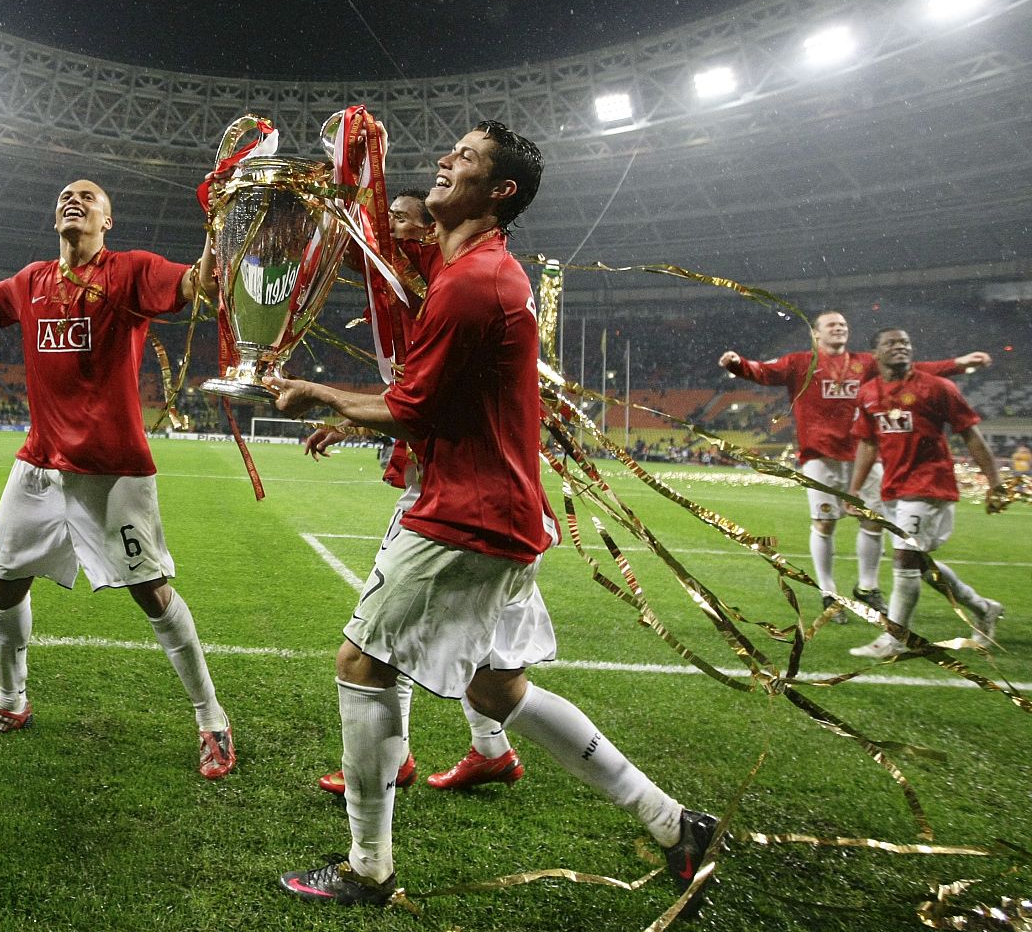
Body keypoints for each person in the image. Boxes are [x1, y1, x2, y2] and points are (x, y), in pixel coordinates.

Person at [270, 122, 717, 909]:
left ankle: (367, 868)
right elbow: (435, 398)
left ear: (499, 191)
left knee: (361, 663)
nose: (445, 160)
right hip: (505, 513)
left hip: (466, 518)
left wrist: (319, 392)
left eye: (465, 156)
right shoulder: (470, 270)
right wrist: (359, 412)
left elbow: (414, 406)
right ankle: (672, 820)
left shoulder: (476, 282)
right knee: (496, 692)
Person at [0, 181, 237, 779]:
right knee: (4, 579)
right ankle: (12, 703)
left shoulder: (130, 271)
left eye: (89, 197)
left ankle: (212, 719)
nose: (74, 200)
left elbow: (199, 286)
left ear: (108, 219)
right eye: (66, 194)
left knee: (152, 591)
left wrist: (218, 232)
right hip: (38, 463)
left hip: (111, 470)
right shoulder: (34, 279)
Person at [313, 186, 525, 798]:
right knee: (489, 660)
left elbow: (423, 400)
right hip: (455, 476)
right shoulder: (403, 283)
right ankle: (489, 750)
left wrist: (327, 399)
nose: (392, 235)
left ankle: (393, 776)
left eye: (405, 222)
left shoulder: (452, 275)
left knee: (384, 637)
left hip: (467, 486)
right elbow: (352, 250)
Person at [718, 313, 989, 620]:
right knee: (824, 523)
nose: (839, 328)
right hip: (819, 457)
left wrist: (960, 363)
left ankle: (868, 588)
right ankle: (829, 593)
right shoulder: (799, 362)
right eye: (832, 325)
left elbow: (919, 371)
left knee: (872, 521)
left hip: (864, 453)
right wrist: (736, 364)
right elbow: (763, 372)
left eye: (843, 325)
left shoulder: (865, 363)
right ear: (816, 334)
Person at [847, 328, 1004, 658]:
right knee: (917, 563)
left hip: (930, 485)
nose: (900, 347)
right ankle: (983, 607)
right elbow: (867, 442)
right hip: (894, 489)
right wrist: (855, 489)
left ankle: (895, 639)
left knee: (904, 556)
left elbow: (971, 435)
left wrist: (994, 480)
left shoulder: (937, 387)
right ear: (875, 354)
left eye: (905, 342)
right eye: (891, 343)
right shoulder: (868, 394)